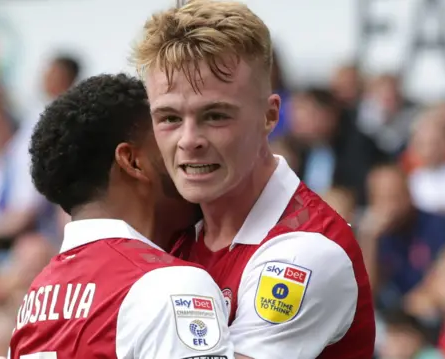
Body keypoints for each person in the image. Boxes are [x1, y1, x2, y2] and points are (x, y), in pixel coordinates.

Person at [132, 1, 376, 358]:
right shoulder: (170, 226)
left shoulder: (306, 252)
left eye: (215, 115)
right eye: (168, 118)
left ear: (270, 115)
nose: (188, 140)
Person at [8, 73, 234, 358]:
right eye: (166, 131)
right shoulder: (172, 285)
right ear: (132, 161)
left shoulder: (33, 303)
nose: (186, 148)